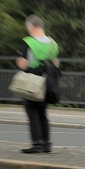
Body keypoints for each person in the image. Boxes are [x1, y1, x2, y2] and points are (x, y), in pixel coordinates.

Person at [15, 14, 60, 154]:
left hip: (32, 82)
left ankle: (37, 144)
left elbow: (23, 64)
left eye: (28, 28)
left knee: (32, 112)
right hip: (47, 83)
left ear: (32, 27)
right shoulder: (53, 44)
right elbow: (56, 64)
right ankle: (47, 144)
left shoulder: (28, 42)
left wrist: (19, 62)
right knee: (43, 112)